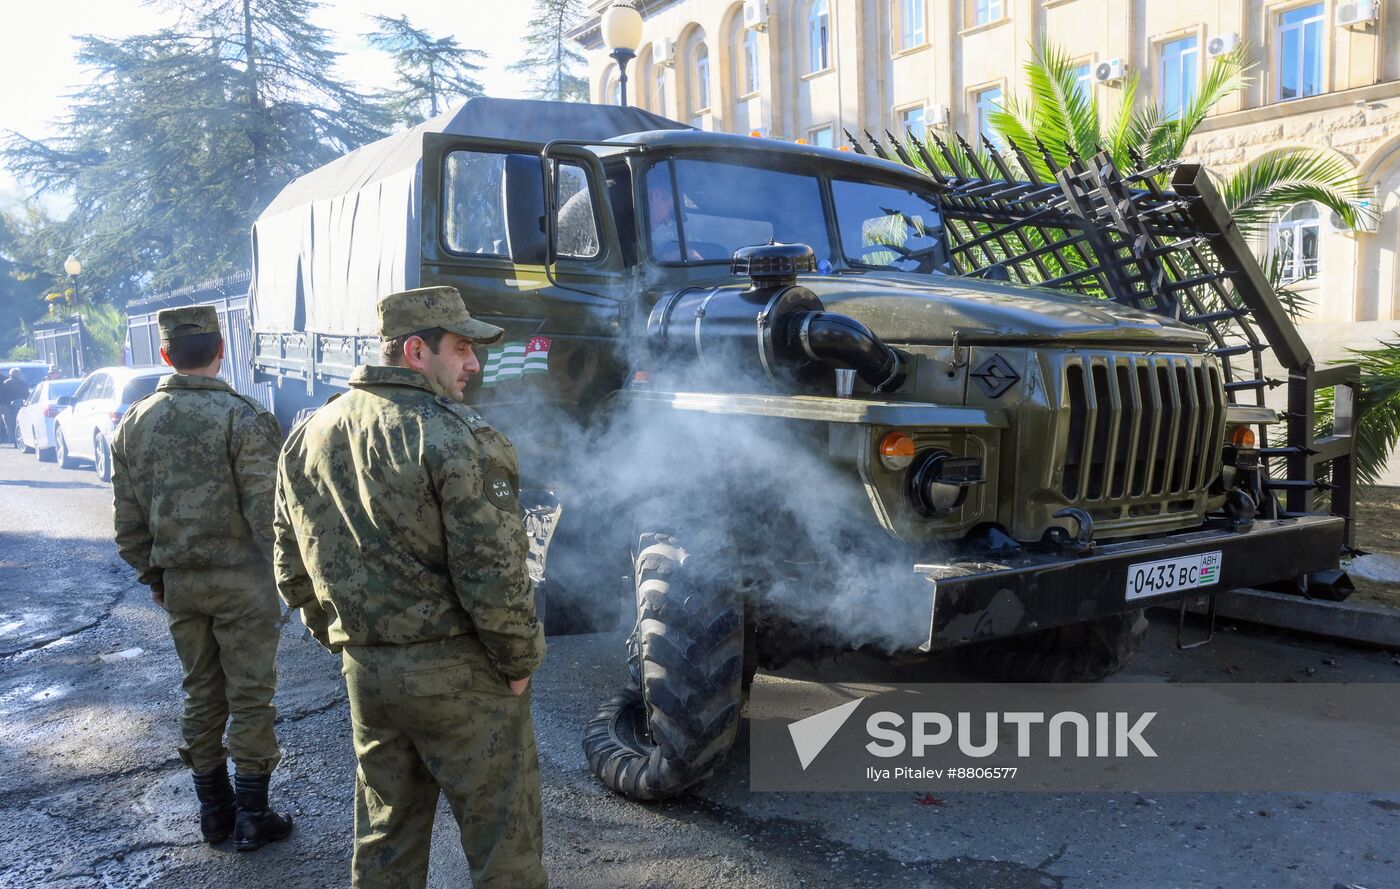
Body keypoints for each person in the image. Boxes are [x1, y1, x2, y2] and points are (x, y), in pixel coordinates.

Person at [273, 286, 547, 889]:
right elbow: (495, 571)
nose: (474, 364)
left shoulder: (308, 435)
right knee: (505, 845)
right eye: (463, 348)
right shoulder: (460, 437)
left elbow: (291, 567)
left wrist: (349, 642)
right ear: (416, 351)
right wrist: (519, 660)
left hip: (367, 674)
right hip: (462, 673)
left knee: (385, 840)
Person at [109, 306, 293, 851]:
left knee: (200, 692)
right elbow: (269, 515)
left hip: (180, 584)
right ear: (220, 349)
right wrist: (289, 578)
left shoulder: (135, 422)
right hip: (243, 583)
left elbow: (127, 523)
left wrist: (155, 577)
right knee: (251, 694)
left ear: (165, 353)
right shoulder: (245, 417)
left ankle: (214, 813)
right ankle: (253, 816)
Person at [1, 368, 31, 447]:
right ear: (18, 374)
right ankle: (21, 438)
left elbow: (3, 396)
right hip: (19, 406)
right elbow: (26, 395)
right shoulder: (22, 383)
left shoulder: (5, 383)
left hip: (7, 406)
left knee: (9, 424)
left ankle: (12, 440)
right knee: (19, 422)